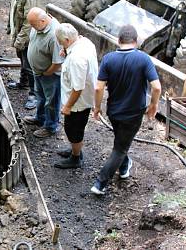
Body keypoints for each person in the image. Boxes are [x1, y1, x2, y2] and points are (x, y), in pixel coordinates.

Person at [91, 25, 162, 194]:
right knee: (120, 148)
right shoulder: (144, 59)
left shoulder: (108, 59)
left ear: (119, 40)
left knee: (121, 141)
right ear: (136, 42)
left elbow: (98, 88)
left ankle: (124, 168)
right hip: (133, 114)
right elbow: (157, 87)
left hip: (114, 112)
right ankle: (100, 183)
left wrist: (97, 107)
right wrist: (153, 105)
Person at [53, 23, 98, 169]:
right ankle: (74, 149)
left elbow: (78, 88)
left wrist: (67, 106)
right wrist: (66, 50)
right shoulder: (85, 42)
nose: (59, 44)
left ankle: (76, 158)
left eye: (61, 42)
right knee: (73, 129)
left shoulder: (76, 59)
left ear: (67, 39)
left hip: (78, 104)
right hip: (81, 99)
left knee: (73, 130)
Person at [24, 8, 64, 138]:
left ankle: (50, 126)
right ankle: (40, 118)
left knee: (51, 101)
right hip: (39, 72)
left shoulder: (54, 35)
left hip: (50, 75)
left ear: (42, 20)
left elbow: (58, 62)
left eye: (34, 24)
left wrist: (47, 73)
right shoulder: (38, 26)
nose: (32, 27)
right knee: (40, 97)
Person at [5, 0, 39, 110]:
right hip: (18, 33)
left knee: (29, 64)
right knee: (22, 60)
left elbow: (28, 20)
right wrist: (10, 27)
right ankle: (23, 82)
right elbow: (14, 10)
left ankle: (34, 94)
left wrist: (21, 39)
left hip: (26, 36)